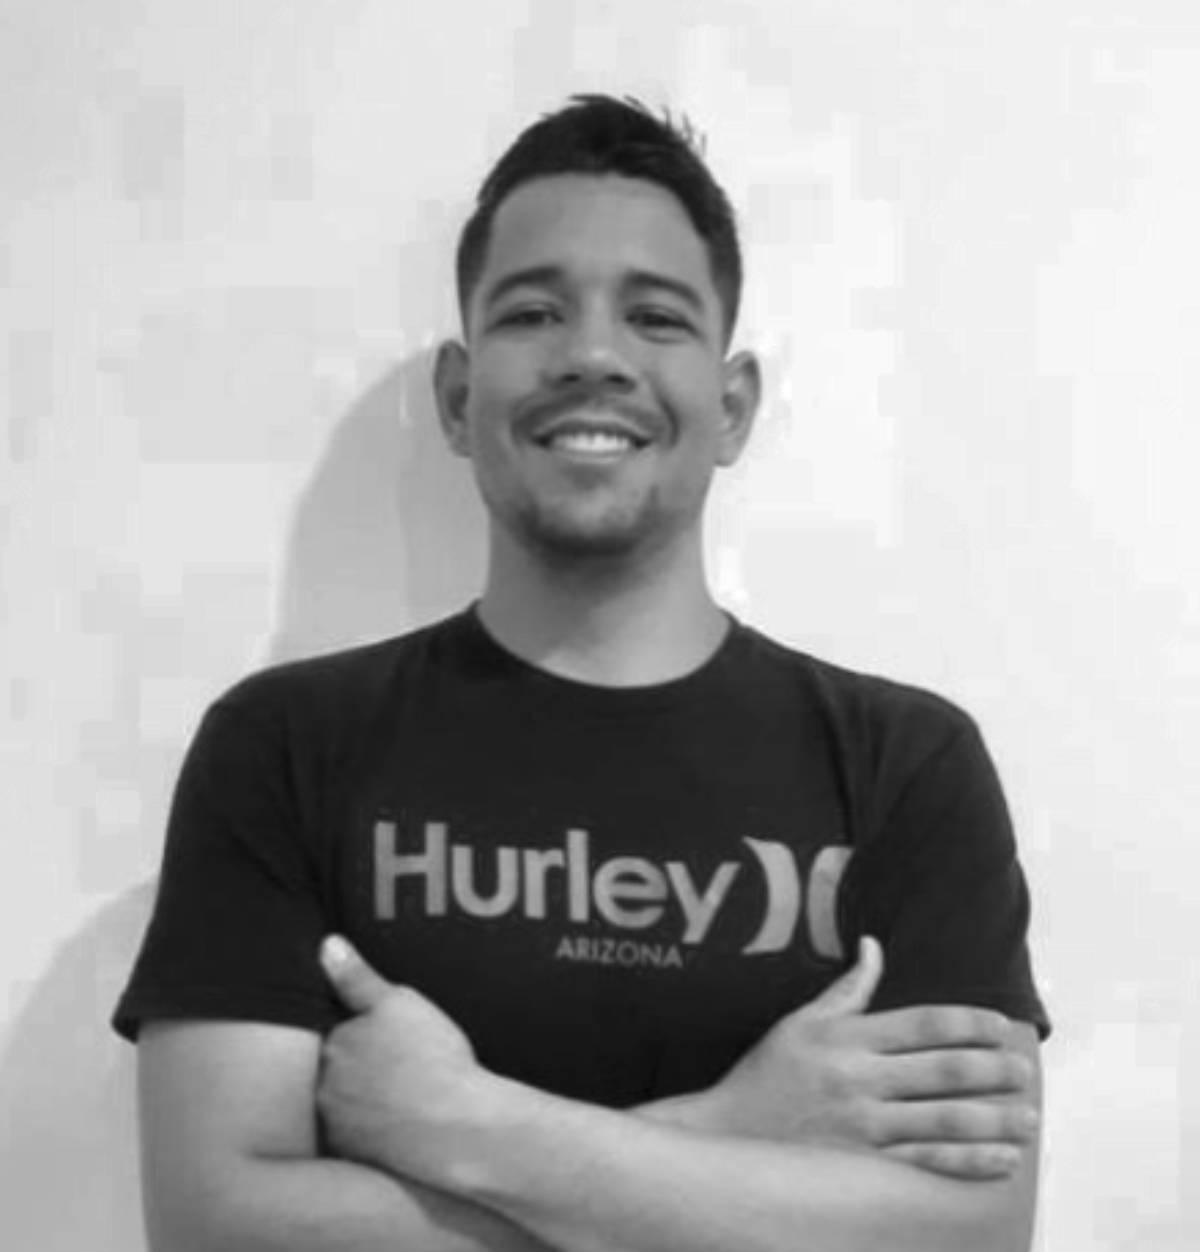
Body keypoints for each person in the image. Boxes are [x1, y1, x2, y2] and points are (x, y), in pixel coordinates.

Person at [113, 93, 1051, 1252]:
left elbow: (969, 1235)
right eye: (533, 312)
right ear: (458, 398)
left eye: (655, 317)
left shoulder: (905, 763)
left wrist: (471, 1126)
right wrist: (733, 1128)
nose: (594, 355)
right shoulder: (287, 744)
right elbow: (219, 1230)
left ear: (732, 407)